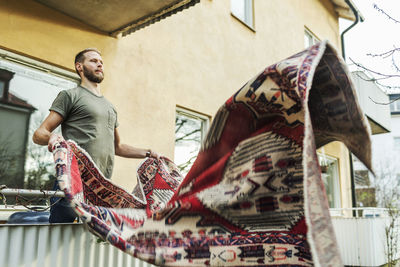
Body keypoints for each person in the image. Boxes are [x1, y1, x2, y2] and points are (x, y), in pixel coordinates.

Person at [33, 48, 159, 223]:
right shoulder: (70, 96)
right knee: (59, 239)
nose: (99, 63)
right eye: (93, 60)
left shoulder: (110, 107)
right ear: (80, 67)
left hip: (101, 190)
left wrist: (148, 153)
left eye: (101, 61)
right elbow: (39, 134)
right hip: (72, 183)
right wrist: (52, 137)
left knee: (88, 244)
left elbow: (118, 147)